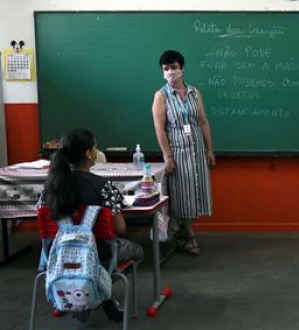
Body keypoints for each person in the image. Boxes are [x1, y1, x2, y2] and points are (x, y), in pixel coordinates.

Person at [39, 128, 143, 322]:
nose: (97, 151)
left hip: (57, 257)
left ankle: (80, 296)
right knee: (137, 251)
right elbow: (120, 229)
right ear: (88, 154)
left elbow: (46, 222)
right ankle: (102, 296)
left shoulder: (50, 187)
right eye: (95, 147)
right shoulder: (102, 185)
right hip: (97, 256)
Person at [152, 50, 215, 256]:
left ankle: (182, 232)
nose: (170, 72)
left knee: (196, 195)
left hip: (197, 152)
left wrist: (209, 149)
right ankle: (188, 235)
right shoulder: (161, 96)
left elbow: (203, 121)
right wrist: (167, 156)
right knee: (182, 197)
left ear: (182, 68)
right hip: (177, 154)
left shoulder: (194, 92)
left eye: (174, 67)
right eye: (166, 68)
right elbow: (159, 128)